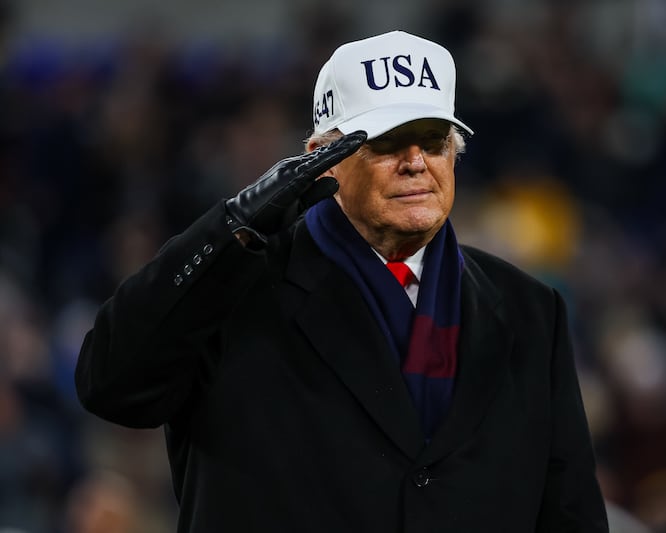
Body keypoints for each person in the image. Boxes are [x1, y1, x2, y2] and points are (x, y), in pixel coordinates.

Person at [75, 30, 609, 532]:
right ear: (321, 160)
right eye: (387, 142)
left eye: (433, 140)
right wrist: (229, 227)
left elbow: (570, 515)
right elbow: (112, 385)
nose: (415, 162)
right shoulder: (233, 288)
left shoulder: (530, 309)